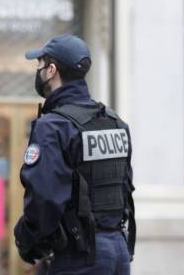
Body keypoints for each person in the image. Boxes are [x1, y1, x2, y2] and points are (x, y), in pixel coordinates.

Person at [14, 35, 136, 275]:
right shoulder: (115, 122)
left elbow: (45, 199)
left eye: (39, 65)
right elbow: (126, 189)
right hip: (117, 250)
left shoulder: (52, 126)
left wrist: (26, 240)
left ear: (51, 70)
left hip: (78, 255)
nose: (37, 72)